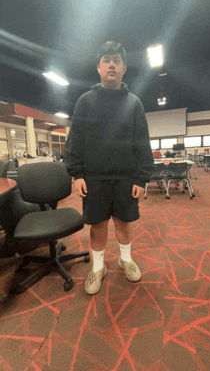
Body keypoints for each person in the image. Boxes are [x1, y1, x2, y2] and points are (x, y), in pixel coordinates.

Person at [64, 41, 154, 295]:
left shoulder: (134, 103)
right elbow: (75, 140)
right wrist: (77, 174)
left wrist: (141, 177)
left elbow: (142, 142)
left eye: (116, 60)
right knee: (98, 225)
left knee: (124, 223)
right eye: (107, 60)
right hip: (94, 178)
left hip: (126, 178)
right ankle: (99, 267)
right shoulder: (85, 101)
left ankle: (126, 259)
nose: (111, 64)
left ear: (124, 68)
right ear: (98, 68)